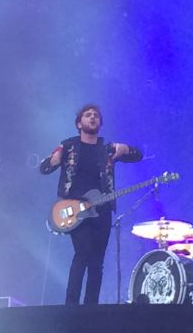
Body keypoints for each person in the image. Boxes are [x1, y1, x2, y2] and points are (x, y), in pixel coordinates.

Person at [40, 104, 143, 304]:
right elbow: (44, 168)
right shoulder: (68, 146)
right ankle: (71, 306)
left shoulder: (107, 150)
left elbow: (137, 155)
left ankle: (91, 308)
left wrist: (125, 149)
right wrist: (53, 161)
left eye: (96, 115)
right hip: (76, 209)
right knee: (83, 253)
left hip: (102, 209)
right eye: (88, 115)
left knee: (97, 262)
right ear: (79, 123)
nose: (92, 117)